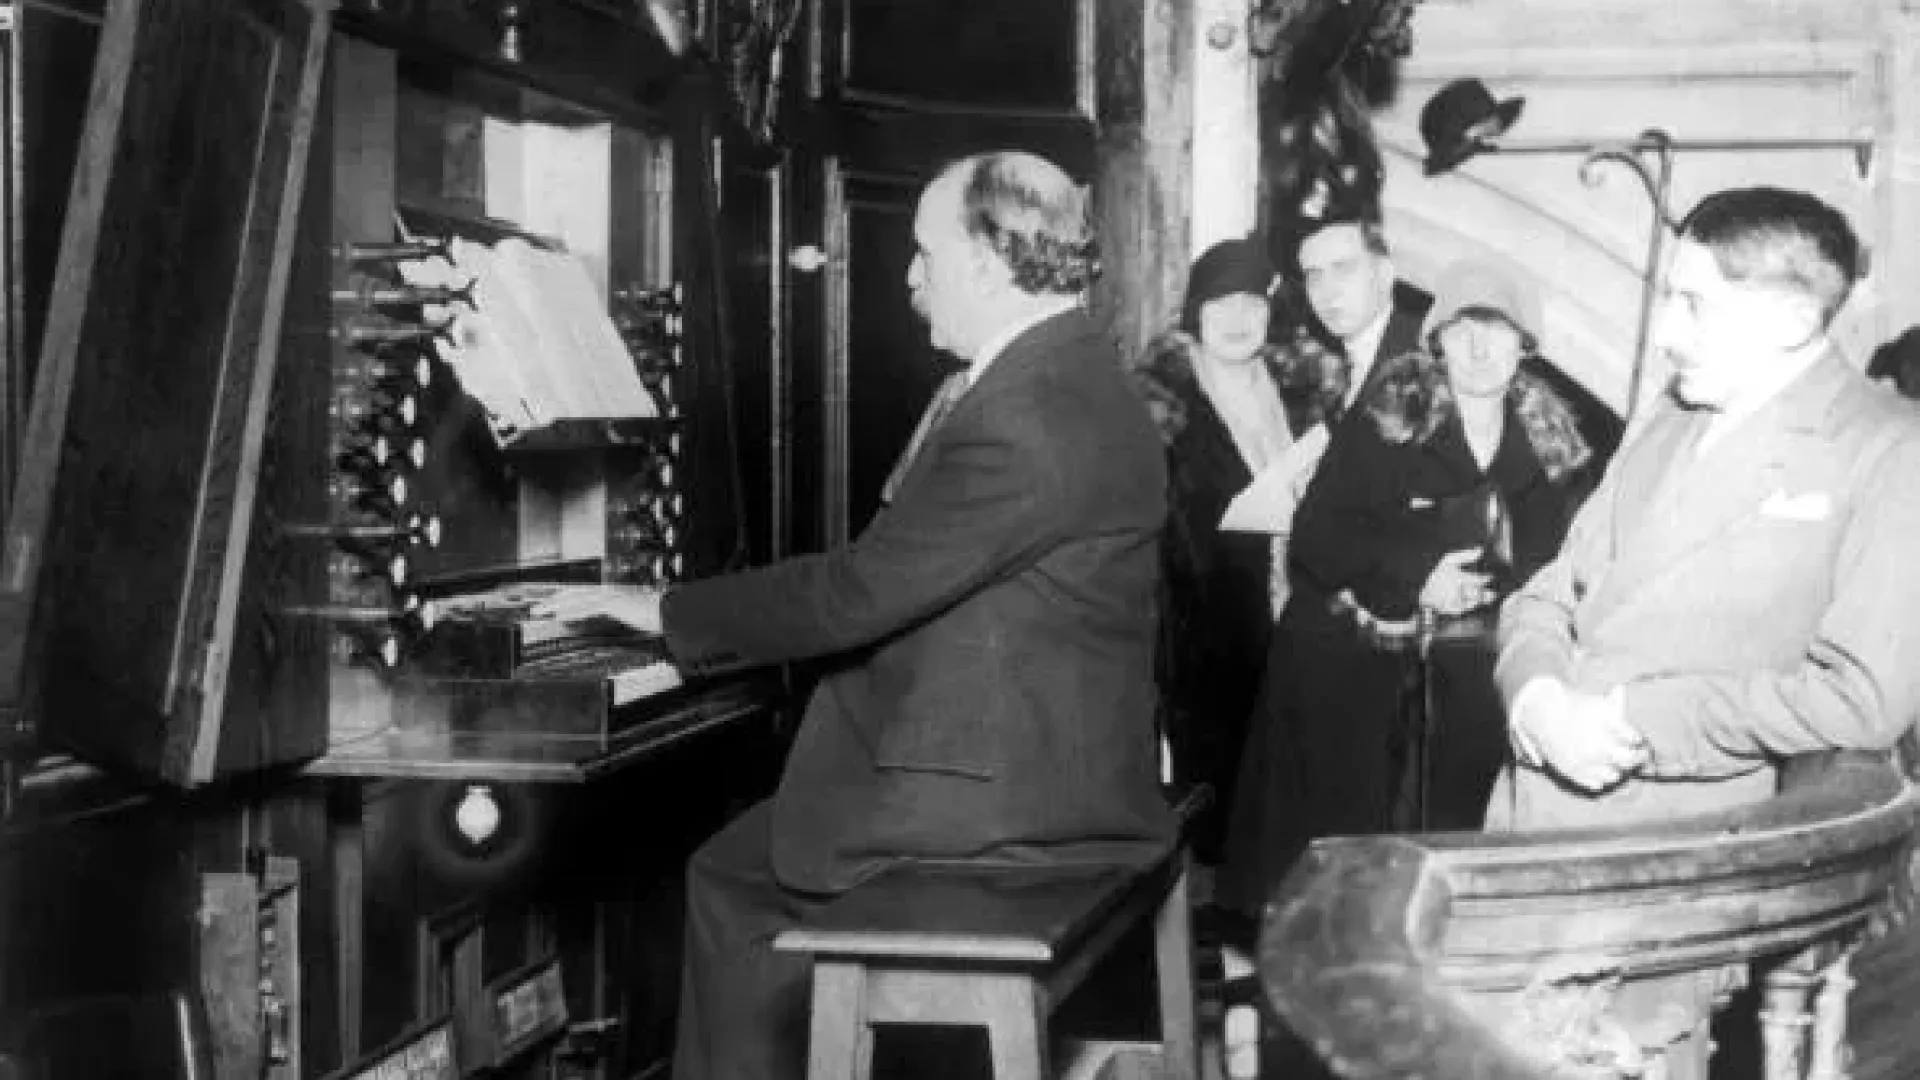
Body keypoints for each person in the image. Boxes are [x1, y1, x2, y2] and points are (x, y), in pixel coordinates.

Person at [532, 150, 1175, 1080]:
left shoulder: (1026, 412)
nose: (910, 277)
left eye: (924, 253)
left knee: (730, 879)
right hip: (1050, 753)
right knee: (749, 841)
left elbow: (858, 592)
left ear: (989, 264)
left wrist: (659, 611)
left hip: (1008, 797)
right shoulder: (1074, 373)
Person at [1486, 186, 1920, 1077]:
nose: (1668, 331)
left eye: (1694, 304)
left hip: (1670, 856)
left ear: (1794, 317)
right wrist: (1533, 695)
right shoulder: (1669, 418)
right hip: (1528, 824)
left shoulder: (1887, 449)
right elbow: (1544, 595)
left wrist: (1638, 722)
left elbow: (1865, 697)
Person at [1217, 258, 1594, 927]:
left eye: (1499, 331)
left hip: (1466, 697)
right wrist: (1421, 574)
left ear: (1525, 347)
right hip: (1358, 687)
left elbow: (1552, 570)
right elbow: (1317, 538)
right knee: (1349, 904)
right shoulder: (1388, 422)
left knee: (1451, 893)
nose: (1480, 349)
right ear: (1437, 341)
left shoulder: (1546, 450)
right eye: (1463, 330)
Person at [1131, 236, 1297, 866]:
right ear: (1194, 313)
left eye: (1251, 303)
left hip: (1290, 629)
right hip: (1201, 641)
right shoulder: (1158, 407)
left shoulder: (1301, 390)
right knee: (1219, 818)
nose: (1236, 320)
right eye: (1219, 303)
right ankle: (1218, 953)